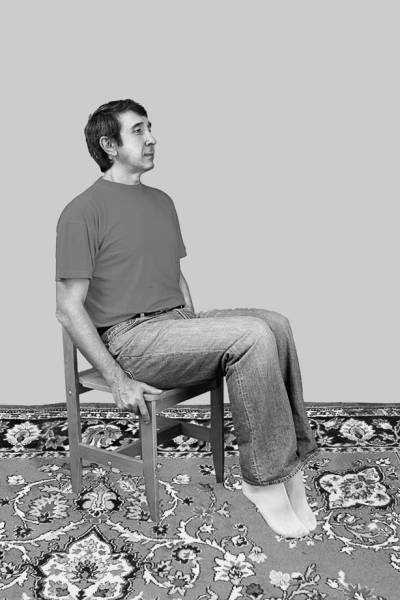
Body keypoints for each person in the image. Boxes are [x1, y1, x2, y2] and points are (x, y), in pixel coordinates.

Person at [55, 98, 319, 539]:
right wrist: (117, 380)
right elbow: (67, 308)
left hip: (173, 326)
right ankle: (264, 483)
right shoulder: (81, 212)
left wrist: (197, 330)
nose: (152, 138)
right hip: (130, 340)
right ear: (109, 145)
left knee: (276, 323)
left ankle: (289, 467)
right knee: (252, 335)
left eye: (150, 127)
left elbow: (176, 276)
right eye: (138, 130)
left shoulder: (162, 201)